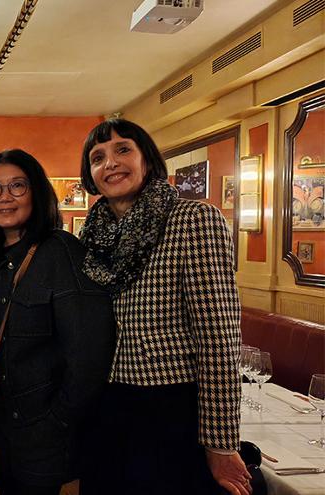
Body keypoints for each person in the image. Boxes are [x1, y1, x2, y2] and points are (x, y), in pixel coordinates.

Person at [77, 119, 248, 495]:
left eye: (123, 150)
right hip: (105, 401)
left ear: (148, 160)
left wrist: (220, 444)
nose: (110, 163)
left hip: (168, 404)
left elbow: (218, 338)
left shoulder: (193, 220)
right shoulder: (91, 237)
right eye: (98, 157)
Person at [0, 149, 116, 495]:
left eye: (17, 186)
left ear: (36, 192)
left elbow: (90, 354)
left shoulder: (62, 253)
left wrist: (58, 420)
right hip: (0, 427)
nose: (4, 197)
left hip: (45, 432)